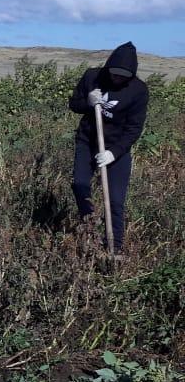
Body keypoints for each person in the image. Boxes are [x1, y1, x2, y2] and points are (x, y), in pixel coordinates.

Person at [68, 40, 148, 253]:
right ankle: (90, 229)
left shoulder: (138, 90)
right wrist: (87, 101)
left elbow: (134, 128)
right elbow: (74, 104)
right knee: (80, 185)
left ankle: (115, 248)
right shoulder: (92, 77)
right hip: (88, 141)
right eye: (114, 73)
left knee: (115, 200)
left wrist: (113, 153)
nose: (117, 78)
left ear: (131, 75)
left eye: (123, 76)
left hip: (116, 147)